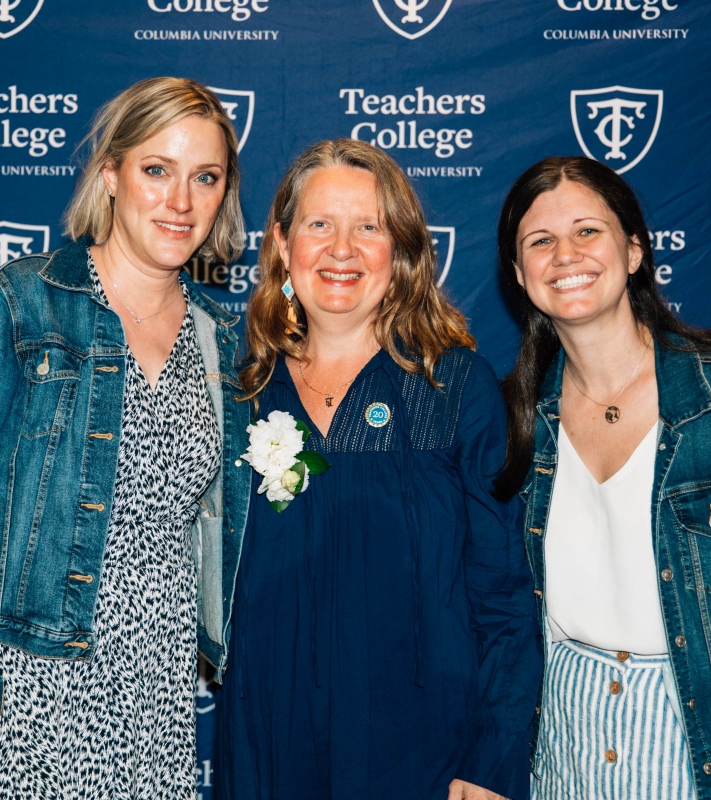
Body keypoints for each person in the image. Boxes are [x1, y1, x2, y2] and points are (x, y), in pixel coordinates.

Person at [0, 77, 251, 800]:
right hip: (21, 688)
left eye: (204, 177)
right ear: (111, 173)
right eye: (157, 170)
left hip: (155, 695)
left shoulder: (225, 343)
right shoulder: (14, 303)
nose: (180, 201)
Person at [492, 156, 711, 800]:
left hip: (704, 756)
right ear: (519, 274)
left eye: (588, 231)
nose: (566, 254)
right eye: (540, 241)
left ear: (634, 252)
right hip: (559, 754)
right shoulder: (512, 420)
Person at [216, 139, 538, 800]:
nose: (343, 248)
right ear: (281, 242)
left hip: (424, 760)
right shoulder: (240, 389)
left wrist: (492, 760)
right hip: (267, 751)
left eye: (369, 226)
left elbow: (506, 598)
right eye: (319, 224)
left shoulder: (454, 388)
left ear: (403, 251)